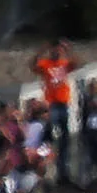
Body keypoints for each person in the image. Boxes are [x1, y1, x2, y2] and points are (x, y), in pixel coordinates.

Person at [31, 40, 77, 182]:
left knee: (64, 139)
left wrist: (68, 50)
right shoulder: (45, 64)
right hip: (51, 104)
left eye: (59, 51)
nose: (56, 53)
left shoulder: (64, 63)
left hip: (63, 103)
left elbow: (77, 63)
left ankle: (64, 172)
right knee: (49, 137)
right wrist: (42, 50)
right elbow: (32, 65)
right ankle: (46, 168)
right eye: (54, 50)